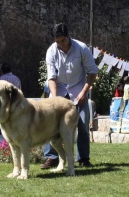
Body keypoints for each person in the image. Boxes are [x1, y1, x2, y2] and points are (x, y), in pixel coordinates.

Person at [40, 23, 98, 169]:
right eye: (57, 41)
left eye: (63, 41)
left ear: (68, 36)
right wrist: (54, 99)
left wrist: (84, 92)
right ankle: (52, 157)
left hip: (79, 90)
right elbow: (51, 77)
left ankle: (83, 158)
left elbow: (92, 71)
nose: (60, 44)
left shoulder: (81, 48)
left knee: (83, 124)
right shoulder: (51, 51)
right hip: (58, 91)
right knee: (49, 123)